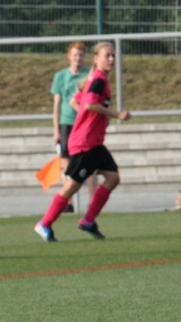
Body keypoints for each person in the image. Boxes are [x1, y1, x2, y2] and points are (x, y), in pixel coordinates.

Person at [35, 42, 131, 242]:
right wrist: (115, 114)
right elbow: (89, 105)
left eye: (113, 55)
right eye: (107, 55)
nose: (111, 59)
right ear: (96, 58)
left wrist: (92, 119)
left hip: (94, 142)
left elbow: (75, 101)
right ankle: (45, 223)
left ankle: (88, 220)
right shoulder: (98, 80)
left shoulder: (93, 78)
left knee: (113, 177)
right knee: (71, 186)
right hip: (85, 143)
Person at [51, 41, 95, 211]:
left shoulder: (88, 74)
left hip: (85, 123)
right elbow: (57, 105)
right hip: (67, 122)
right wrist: (56, 130)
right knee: (67, 163)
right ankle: (67, 201)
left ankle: (93, 200)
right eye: (75, 55)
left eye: (81, 55)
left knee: (89, 161)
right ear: (69, 56)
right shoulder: (61, 76)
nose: (78, 58)